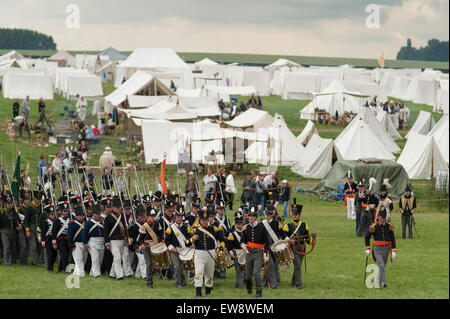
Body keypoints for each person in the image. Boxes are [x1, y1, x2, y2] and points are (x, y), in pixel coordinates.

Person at [187, 208, 225, 297]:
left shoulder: (214, 229)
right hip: (199, 253)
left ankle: (208, 291)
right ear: (199, 220)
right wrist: (193, 239)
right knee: (198, 273)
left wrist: (220, 248)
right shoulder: (195, 230)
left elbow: (222, 240)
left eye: (205, 220)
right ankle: (198, 293)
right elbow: (187, 242)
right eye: (202, 220)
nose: (204, 222)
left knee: (209, 273)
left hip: (211, 252)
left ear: (208, 220)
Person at [283, 201, 316, 289]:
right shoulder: (287, 226)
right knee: (297, 265)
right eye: (293, 214)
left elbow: (307, 239)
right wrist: (289, 240)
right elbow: (284, 236)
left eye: (296, 214)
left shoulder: (304, 225)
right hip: (292, 249)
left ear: (299, 215)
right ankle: (299, 284)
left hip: (302, 248)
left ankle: (293, 282)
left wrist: (312, 241)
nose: (295, 216)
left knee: (298, 266)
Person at [240, 205, 270, 298]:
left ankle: (259, 292)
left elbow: (267, 241)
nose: (251, 218)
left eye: (253, 216)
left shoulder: (262, 227)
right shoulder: (245, 228)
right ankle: (249, 288)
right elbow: (242, 240)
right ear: (248, 217)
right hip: (249, 252)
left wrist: (266, 253)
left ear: (256, 217)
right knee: (248, 274)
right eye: (250, 216)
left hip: (258, 252)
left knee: (256, 272)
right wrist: (243, 245)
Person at [365, 207, 397, 288]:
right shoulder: (374, 226)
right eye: (379, 218)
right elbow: (367, 237)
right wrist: (368, 247)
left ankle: (377, 283)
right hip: (377, 248)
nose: (380, 219)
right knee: (381, 265)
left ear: (384, 218)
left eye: (382, 218)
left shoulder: (389, 226)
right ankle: (384, 282)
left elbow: (392, 238)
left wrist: (393, 250)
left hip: (386, 248)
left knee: (382, 267)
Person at [165, 204, 193, 288]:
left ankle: (183, 281)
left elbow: (190, 237)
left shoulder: (186, 227)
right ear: (175, 217)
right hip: (175, 250)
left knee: (183, 267)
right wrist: (171, 248)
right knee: (177, 267)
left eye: (181, 217)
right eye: (178, 217)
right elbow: (167, 241)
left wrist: (191, 244)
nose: (179, 219)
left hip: (184, 250)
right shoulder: (170, 228)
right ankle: (178, 283)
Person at [138, 208, 164, 288]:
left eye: (153, 216)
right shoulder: (144, 226)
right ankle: (149, 281)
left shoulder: (157, 224)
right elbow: (140, 239)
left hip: (156, 246)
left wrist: (162, 241)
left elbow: (161, 234)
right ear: (147, 216)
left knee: (158, 263)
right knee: (149, 264)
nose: (152, 218)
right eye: (151, 216)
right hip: (147, 247)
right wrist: (142, 244)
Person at [261, 200, 284, 289]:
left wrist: (283, 240)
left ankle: (267, 283)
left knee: (274, 264)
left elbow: (282, 234)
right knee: (270, 264)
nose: (267, 216)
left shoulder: (277, 223)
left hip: (275, 247)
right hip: (266, 248)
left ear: (272, 214)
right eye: (266, 214)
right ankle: (274, 283)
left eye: (269, 214)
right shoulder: (262, 224)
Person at [104, 197, 127, 280]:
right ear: (113, 208)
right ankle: (120, 276)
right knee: (117, 258)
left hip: (121, 241)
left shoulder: (122, 217)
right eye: (117, 208)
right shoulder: (108, 218)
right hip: (113, 241)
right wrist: (107, 243)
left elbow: (124, 228)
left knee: (117, 258)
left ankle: (112, 274)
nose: (118, 209)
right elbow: (106, 232)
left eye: (119, 208)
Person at [82, 206, 105, 277]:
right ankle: (96, 273)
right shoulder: (88, 223)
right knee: (95, 258)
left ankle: (92, 272)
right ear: (93, 214)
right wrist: (85, 244)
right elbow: (84, 234)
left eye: (99, 214)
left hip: (101, 241)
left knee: (100, 259)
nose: (98, 215)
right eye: (97, 214)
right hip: (92, 242)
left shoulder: (103, 221)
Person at [0, 193, 21, 266]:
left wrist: (18, 226)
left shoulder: (13, 211)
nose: (10, 205)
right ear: (5, 204)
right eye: (8, 204)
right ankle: (7, 262)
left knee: (13, 246)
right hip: (4, 231)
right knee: (6, 246)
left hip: (13, 231)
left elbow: (17, 220)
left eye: (11, 203)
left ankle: (13, 260)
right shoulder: (2, 212)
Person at [226, 211, 245, 288]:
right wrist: (231, 253)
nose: (240, 225)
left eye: (241, 223)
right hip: (236, 253)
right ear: (235, 224)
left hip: (245, 252)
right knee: (238, 270)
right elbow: (229, 245)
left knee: (246, 269)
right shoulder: (232, 233)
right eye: (238, 223)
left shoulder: (245, 231)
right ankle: (240, 285)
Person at [24, 191, 44, 265]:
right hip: (32, 227)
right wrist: (27, 230)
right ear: (34, 199)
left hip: (40, 228)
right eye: (37, 199)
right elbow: (26, 220)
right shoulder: (29, 207)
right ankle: (34, 261)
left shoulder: (42, 206)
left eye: (39, 199)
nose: (38, 200)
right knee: (33, 246)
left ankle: (40, 259)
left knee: (40, 244)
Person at [67, 206, 86, 277]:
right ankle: (81, 273)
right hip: (76, 244)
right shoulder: (72, 224)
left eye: (82, 216)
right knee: (79, 259)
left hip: (84, 243)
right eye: (79, 216)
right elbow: (70, 235)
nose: (81, 217)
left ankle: (76, 272)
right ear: (76, 216)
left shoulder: (85, 223)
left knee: (83, 259)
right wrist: (71, 245)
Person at [52, 203, 71, 273]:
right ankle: (66, 269)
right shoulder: (57, 220)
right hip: (60, 240)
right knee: (64, 254)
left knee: (66, 254)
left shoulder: (70, 219)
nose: (66, 213)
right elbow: (54, 232)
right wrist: (54, 243)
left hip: (68, 240)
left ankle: (60, 269)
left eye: (67, 211)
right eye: (65, 211)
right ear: (61, 212)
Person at [40, 203, 57, 271]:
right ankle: (50, 268)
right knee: (50, 254)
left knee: (54, 255)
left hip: (55, 239)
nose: (53, 216)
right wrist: (43, 240)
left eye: (53, 214)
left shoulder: (57, 221)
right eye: (51, 215)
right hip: (48, 239)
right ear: (48, 215)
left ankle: (51, 265)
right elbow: (43, 232)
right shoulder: (45, 222)